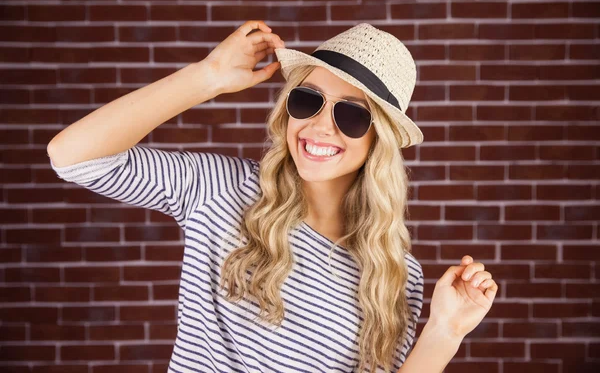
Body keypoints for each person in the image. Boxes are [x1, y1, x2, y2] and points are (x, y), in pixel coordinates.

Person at [47, 20, 498, 373]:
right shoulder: (220, 190)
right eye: (308, 101)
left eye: (351, 115)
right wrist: (208, 78)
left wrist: (445, 330)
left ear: (377, 142)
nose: (321, 126)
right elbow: (73, 156)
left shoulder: (395, 275)